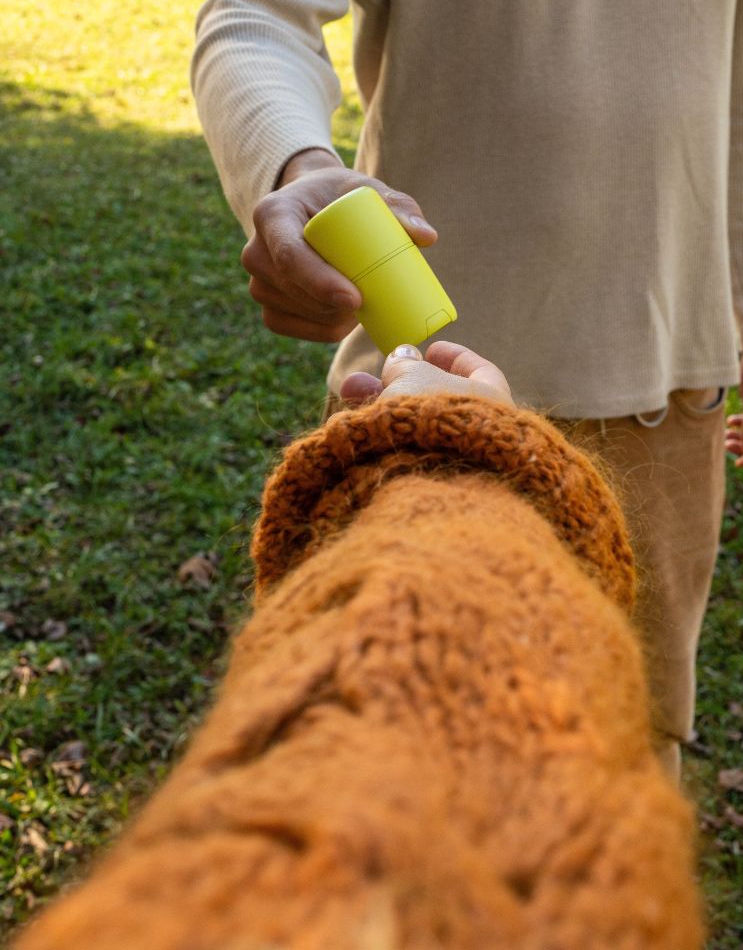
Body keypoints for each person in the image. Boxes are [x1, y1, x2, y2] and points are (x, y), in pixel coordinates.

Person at [191, 0, 743, 775]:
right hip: (428, 396)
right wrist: (293, 169)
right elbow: (255, 15)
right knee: (403, 745)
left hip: (671, 396)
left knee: (627, 743)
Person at [15, 344, 703, 949]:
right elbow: (424, 649)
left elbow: (386, 645)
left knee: (643, 722)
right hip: (432, 371)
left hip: (662, 373)